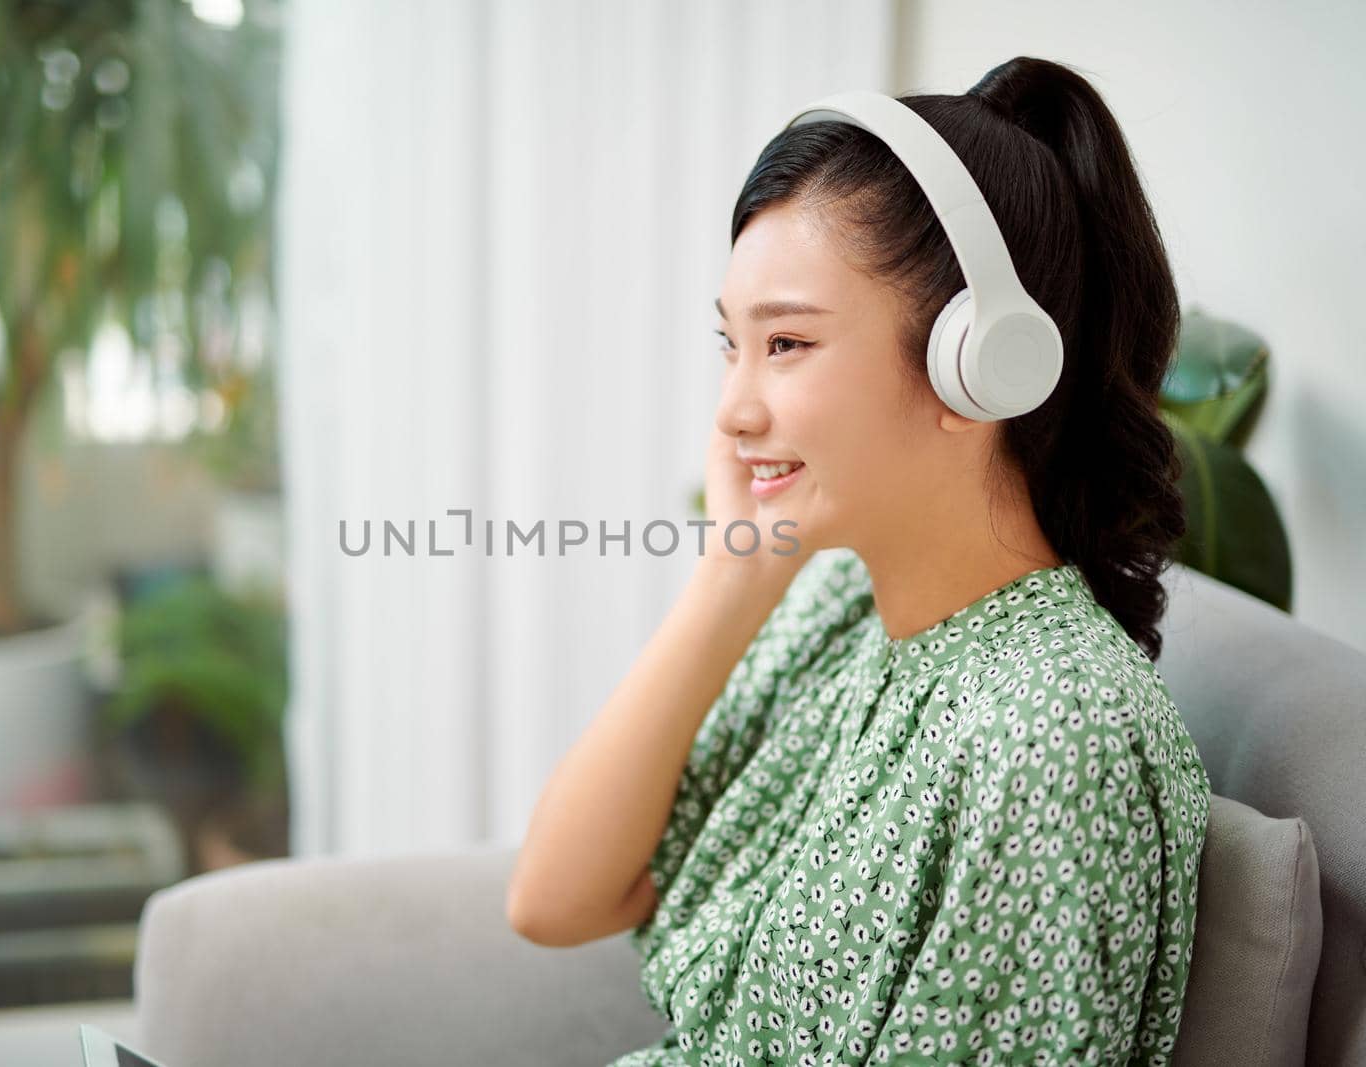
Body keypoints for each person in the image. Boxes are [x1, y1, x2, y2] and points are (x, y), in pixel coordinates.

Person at [506, 55, 1211, 1066]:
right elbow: (554, 898)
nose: (732, 410)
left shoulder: (1052, 734)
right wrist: (731, 574)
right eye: (731, 346)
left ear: (977, 361)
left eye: (785, 343)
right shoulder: (841, 606)